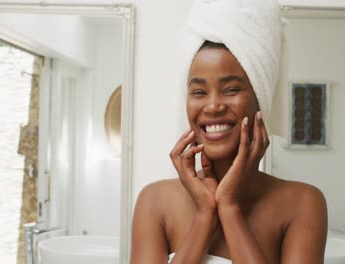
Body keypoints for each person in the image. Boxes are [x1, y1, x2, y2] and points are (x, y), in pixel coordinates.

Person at [130, 0, 327, 263]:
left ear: (260, 99)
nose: (212, 106)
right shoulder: (154, 202)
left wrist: (229, 207)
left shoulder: (303, 204)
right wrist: (204, 216)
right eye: (199, 92)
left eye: (231, 89)